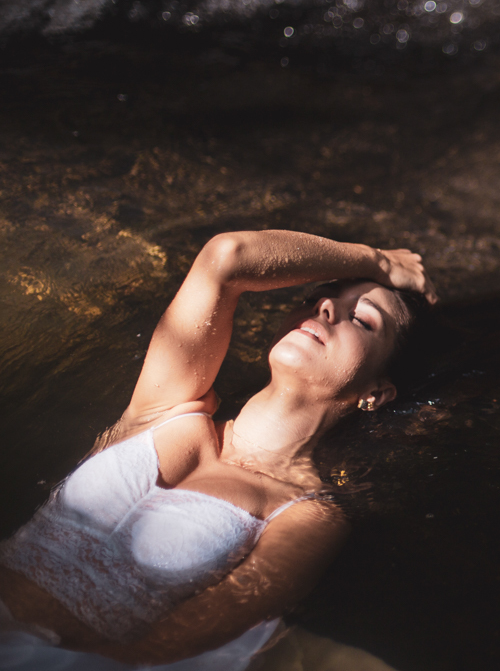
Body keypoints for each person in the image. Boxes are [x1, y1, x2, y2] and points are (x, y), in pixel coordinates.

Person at [0, 230, 434, 670]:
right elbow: (226, 259)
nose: (326, 308)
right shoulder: (167, 407)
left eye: (362, 320)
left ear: (376, 393)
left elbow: (183, 639)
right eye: (320, 297)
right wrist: (375, 260)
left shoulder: (306, 514)